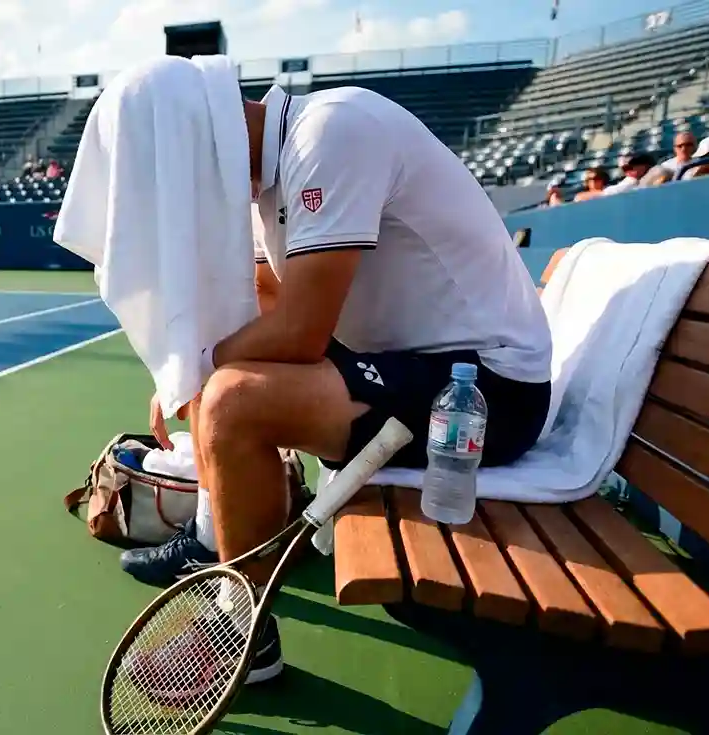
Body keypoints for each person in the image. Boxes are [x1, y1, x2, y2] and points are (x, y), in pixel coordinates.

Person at [122, 79, 553, 685]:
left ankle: (239, 643)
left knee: (232, 402)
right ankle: (222, 534)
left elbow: (300, 333)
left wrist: (198, 368)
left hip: (487, 389)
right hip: (421, 368)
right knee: (220, 384)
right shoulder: (267, 176)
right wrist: (185, 369)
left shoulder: (332, 131)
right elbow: (267, 300)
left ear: (206, 138)